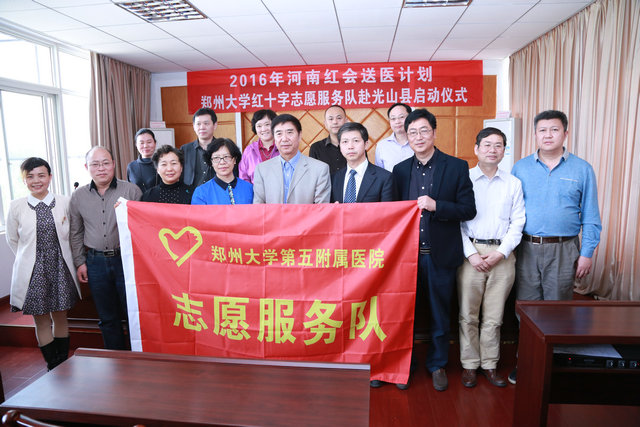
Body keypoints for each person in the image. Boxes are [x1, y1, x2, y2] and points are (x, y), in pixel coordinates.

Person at [509, 110, 602, 384]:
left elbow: (591, 216)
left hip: (564, 248)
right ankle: (526, 362)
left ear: (565, 133)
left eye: (554, 129)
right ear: (535, 134)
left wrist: (587, 253)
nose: (548, 135)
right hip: (527, 247)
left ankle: (554, 366)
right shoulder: (520, 168)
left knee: (558, 309)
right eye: (542, 130)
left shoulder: (582, 169)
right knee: (526, 309)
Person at [393, 108, 476, 391]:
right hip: (408, 258)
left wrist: (436, 205)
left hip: (440, 255)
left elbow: (468, 209)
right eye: (412, 132)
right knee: (406, 315)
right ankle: (405, 365)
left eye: (423, 131)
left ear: (434, 133)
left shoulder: (456, 167)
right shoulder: (400, 170)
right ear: (407, 136)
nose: (418, 137)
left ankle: (437, 364)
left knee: (441, 314)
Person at [457, 128, 525, 388]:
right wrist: (472, 254)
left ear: (504, 151)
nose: (492, 150)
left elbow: (518, 222)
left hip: (502, 255)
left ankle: (490, 364)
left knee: (495, 317)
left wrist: (500, 253)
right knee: (468, 315)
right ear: (476, 149)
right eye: (487, 144)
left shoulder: (513, 183)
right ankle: (469, 365)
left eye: (498, 145)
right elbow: (456, 222)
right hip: (470, 254)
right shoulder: (463, 179)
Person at [6, 157, 81, 370]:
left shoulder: (65, 202)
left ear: (50, 177)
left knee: (60, 316)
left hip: (60, 267)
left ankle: (62, 362)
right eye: (30, 176)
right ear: (24, 180)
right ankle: (52, 364)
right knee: (41, 320)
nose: (36, 180)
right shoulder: (16, 206)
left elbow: (73, 234)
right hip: (33, 271)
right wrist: (29, 259)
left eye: (41, 175)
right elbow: (12, 240)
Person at [69, 147, 142, 350]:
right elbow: (76, 232)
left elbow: (142, 229)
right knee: (107, 316)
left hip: (125, 260)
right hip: (95, 262)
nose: (101, 168)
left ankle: (137, 357)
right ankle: (115, 359)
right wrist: (80, 262)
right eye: (95, 164)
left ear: (113, 164)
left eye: (105, 163)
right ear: (87, 167)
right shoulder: (78, 196)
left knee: (133, 313)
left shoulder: (132, 191)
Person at [253, 114, 330, 204]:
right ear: (274, 138)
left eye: (289, 132)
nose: (284, 139)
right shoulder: (262, 169)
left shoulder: (320, 169)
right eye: (279, 134)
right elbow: (258, 207)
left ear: (299, 135)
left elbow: (321, 208)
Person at [331, 122, 395, 203]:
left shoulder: (385, 178)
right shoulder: (334, 178)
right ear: (340, 146)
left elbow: (388, 210)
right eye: (345, 142)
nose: (350, 146)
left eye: (356, 141)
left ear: (366, 144)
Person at [192, 138, 253, 205]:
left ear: (235, 160)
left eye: (227, 157)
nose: (222, 162)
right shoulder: (201, 192)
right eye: (216, 158)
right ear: (211, 162)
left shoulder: (250, 188)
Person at [238, 109, 279, 184]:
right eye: (259, 126)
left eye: (267, 124)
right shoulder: (249, 151)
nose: (263, 129)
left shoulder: (283, 147)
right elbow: (243, 179)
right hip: (254, 191)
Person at [181, 107, 217, 188]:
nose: (202, 127)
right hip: (191, 194)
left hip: (217, 193)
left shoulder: (222, 148)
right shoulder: (185, 149)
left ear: (215, 125)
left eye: (206, 123)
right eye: (198, 124)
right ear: (194, 126)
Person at [309, 105, 348, 174]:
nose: (335, 122)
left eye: (339, 118)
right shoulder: (316, 148)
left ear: (346, 121)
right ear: (325, 124)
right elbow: (313, 175)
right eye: (330, 119)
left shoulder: (355, 145)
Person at [375, 103, 413, 172]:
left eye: (401, 117)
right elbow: (379, 174)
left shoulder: (418, 142)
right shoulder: (382, 146)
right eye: (393, 118)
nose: (397, 122)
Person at [126, 128, 159, 192]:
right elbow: (129, 190)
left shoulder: (162, 164)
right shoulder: (131, 166)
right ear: (136, 145)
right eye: (141, 143)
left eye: (149, 142)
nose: (145, 146)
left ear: (155, 143)